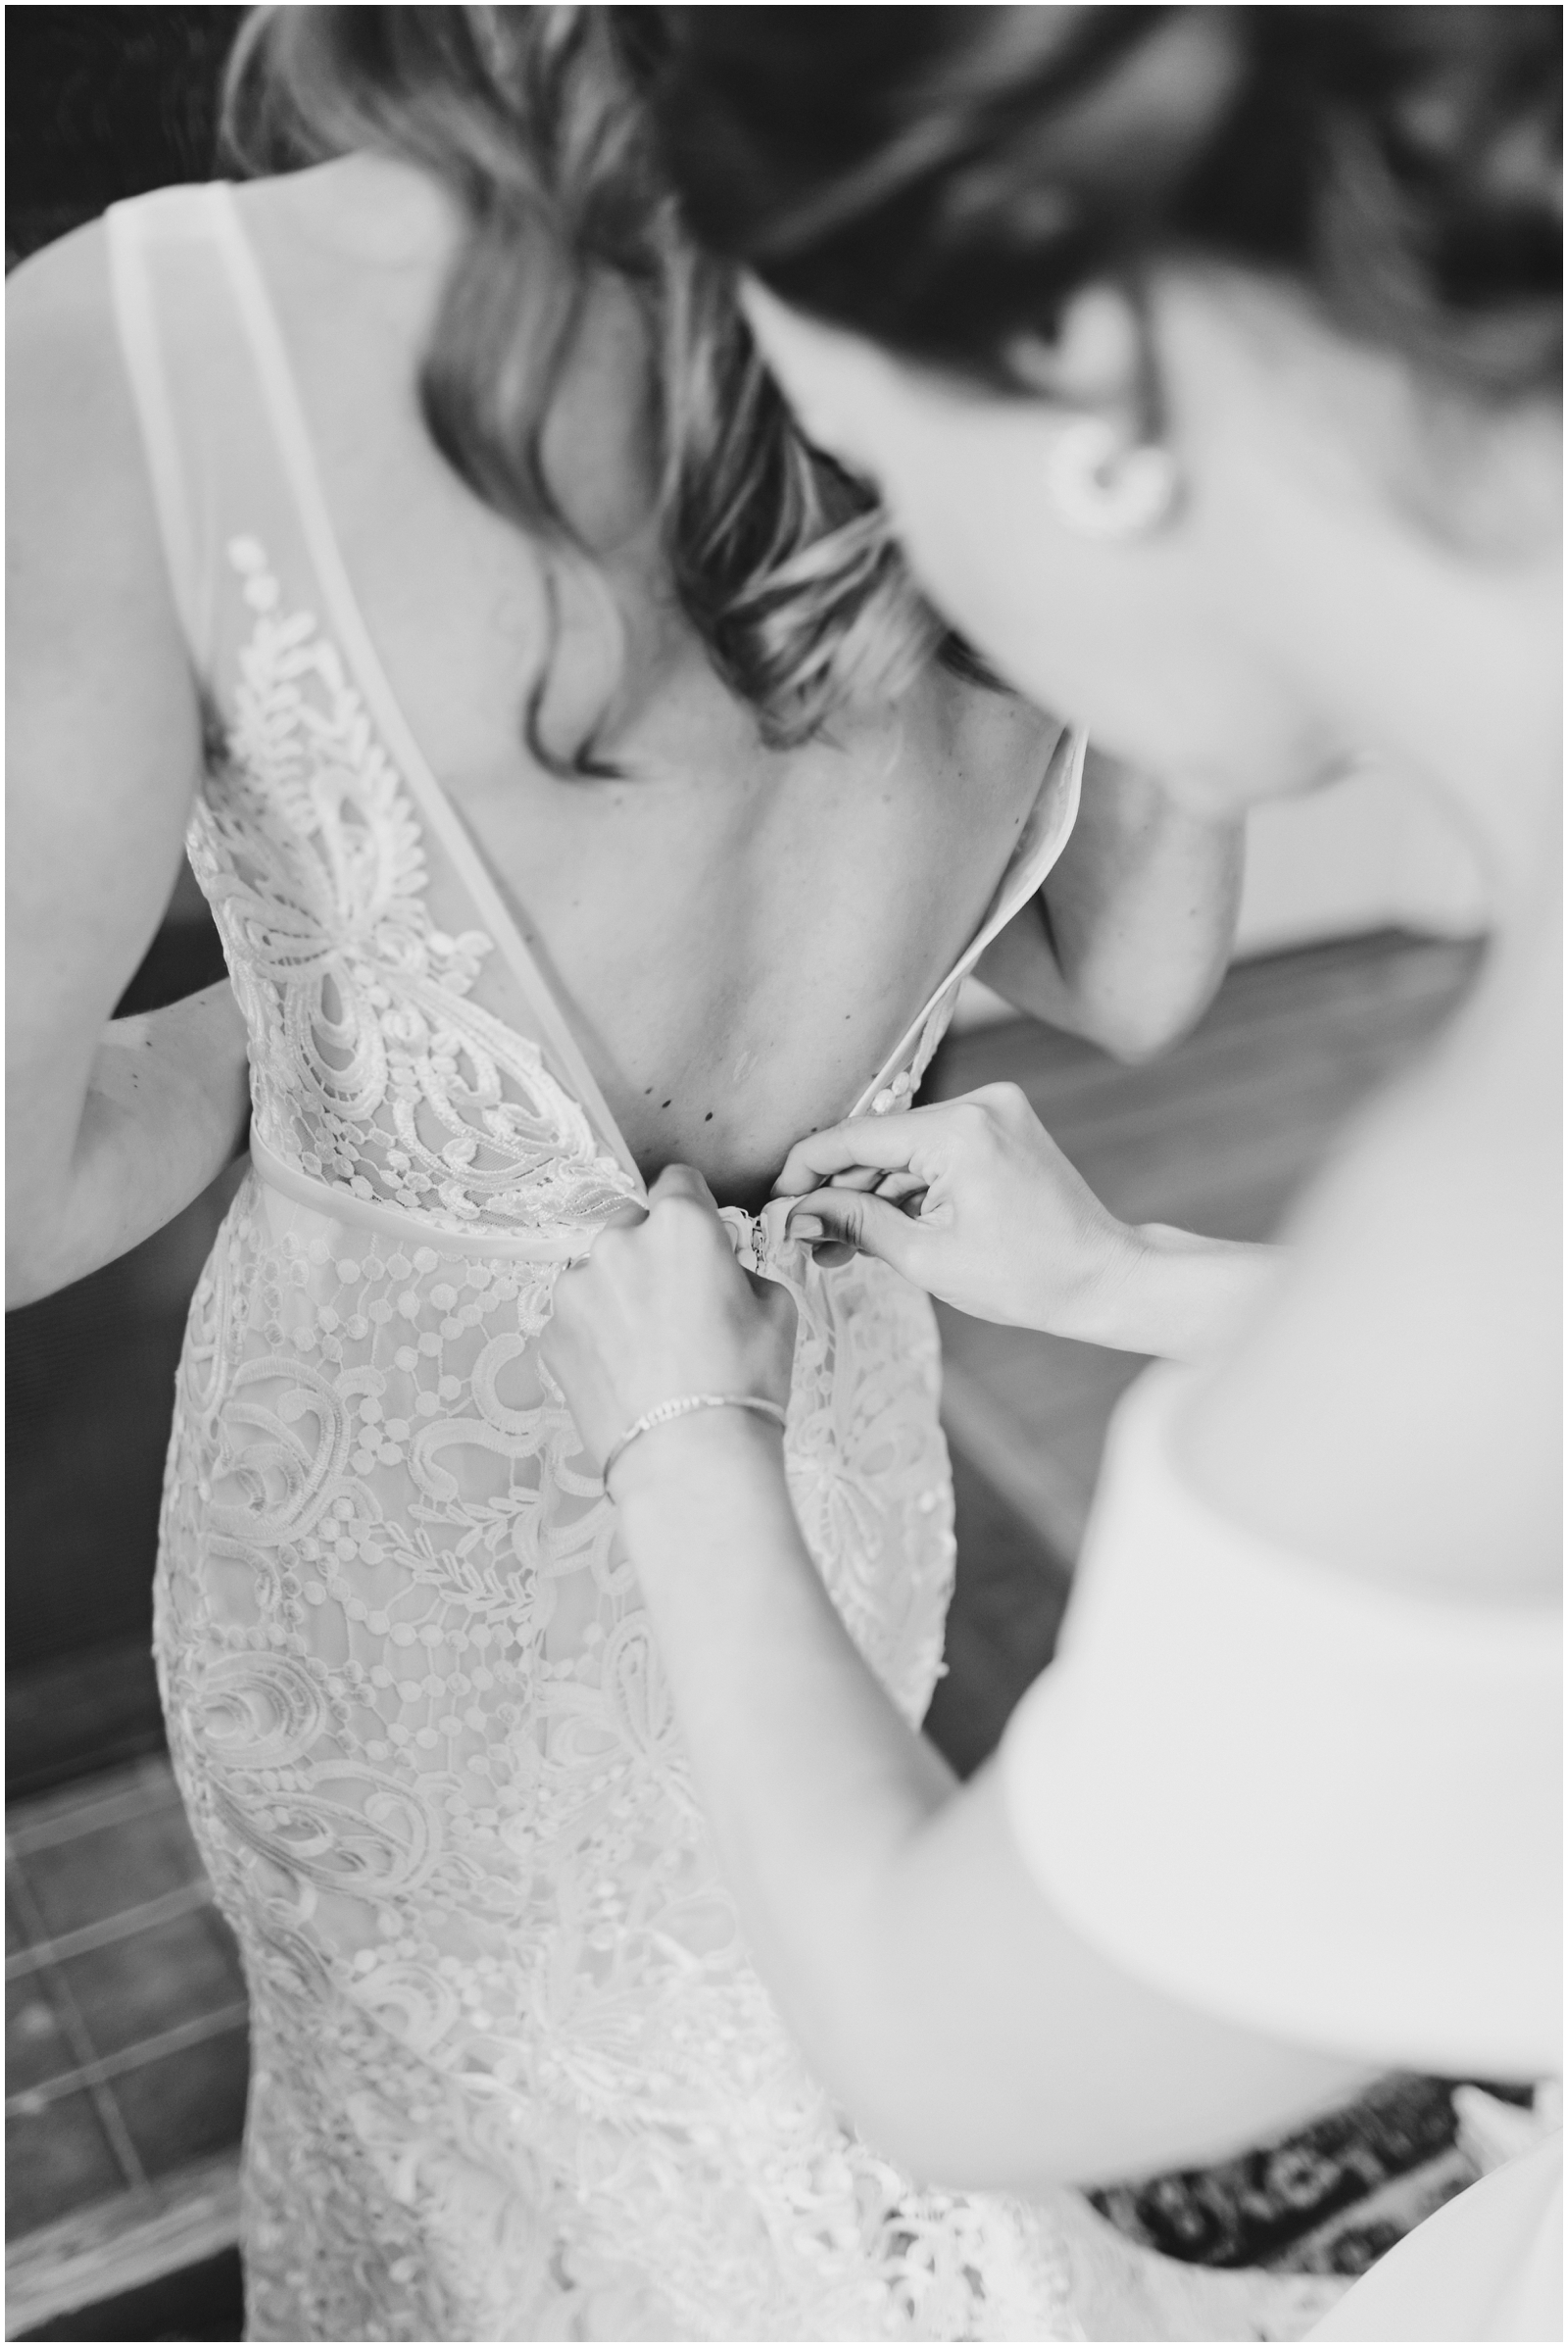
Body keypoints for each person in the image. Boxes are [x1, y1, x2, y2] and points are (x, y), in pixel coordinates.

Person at [5, 6, 1343, 2339]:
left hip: (380, 1535)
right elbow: (1127, 970)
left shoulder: (157, 337)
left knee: (474, 2152)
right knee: (787, 2071)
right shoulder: (1004, 292)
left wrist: (314, 1012)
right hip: (826, 1431)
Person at [542, 7, 1562, 2339]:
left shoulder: (1481, 1226)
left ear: (1082, 367)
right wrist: (1125, 1281)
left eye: (873, 451)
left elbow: (949, 2049)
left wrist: (686, 1442)